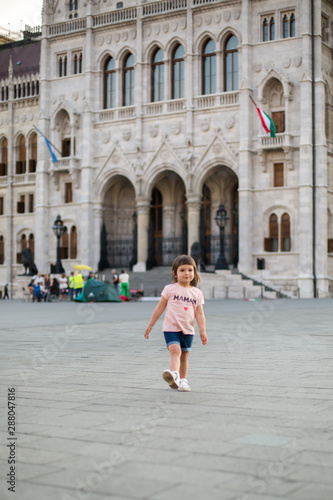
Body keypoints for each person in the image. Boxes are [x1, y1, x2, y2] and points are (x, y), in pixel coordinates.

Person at [144, 254, 208, 392]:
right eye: (182, 270)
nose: (187, 273)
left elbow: (200, 314)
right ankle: (174, 374)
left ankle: (183, 380)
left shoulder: (197, 293)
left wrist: (203, 330)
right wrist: (150, 325)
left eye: (190, 270)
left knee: (184, 356)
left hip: (188, 329)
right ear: (175, 273)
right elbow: (160, 308)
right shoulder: (170, 289)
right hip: (171, 328)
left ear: (195, 272)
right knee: (175, 350)